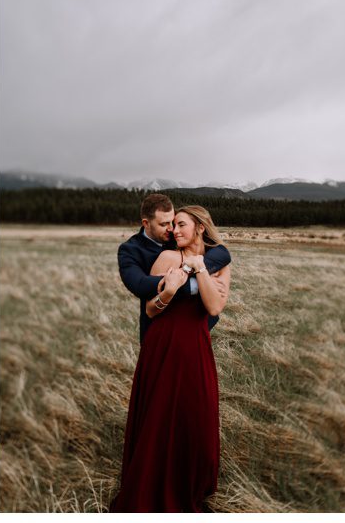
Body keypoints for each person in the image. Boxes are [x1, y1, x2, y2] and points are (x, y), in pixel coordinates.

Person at [110, 205, 233, 512]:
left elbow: (214, 307)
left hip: (196, 344)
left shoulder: (219, 262)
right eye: (172, 225)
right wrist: (170, 290)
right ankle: (153, 483)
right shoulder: (166, 257)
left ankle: (190, 484)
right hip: (163, 343)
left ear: (200, 228)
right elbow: (151, 309)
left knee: (196, 414)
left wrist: (199, 269)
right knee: (161, 415)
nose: (174, 231)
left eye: (181, 225)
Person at [118, 193, 231, 344]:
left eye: (173, 222)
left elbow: (222, 252)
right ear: (146, 223)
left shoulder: (177, 235)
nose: (172, 229)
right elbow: (140, 285)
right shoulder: (130, 250)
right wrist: (195, 285)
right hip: (159, 328)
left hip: (196, 329)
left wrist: (194, 270)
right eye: (164, 224)